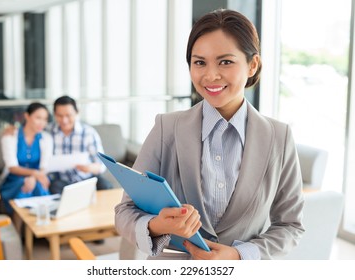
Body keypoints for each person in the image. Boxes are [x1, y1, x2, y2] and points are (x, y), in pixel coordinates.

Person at [115, 9, 304, 260]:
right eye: (199, 62)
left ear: (252, 65)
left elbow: (291, 225)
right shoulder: (166, 128)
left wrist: (239, 255)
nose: (210, 75)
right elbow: (125, 212)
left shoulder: (279, 137)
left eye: (225, 61)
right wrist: (159, 225)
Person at [46, 95, 112, 194]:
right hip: (62, 181)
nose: (64, 120)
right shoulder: (47, 131)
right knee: (54, 187)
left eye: (68, 115)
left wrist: (90, 167)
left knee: (106, 186)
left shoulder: (88, 133)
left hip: (87, 179)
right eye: (60, 116)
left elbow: (101, 165)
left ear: (77, 113)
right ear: (54, 114)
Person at [0, 102, 52, 215]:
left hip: (38, 178)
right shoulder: (10, 136)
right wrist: (35, 174)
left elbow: (44, 166)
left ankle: (43, 228)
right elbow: (12, 167)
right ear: (27, 116)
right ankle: (21, 229)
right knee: (24, 188)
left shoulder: (46, 138)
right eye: (38, 118)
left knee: (38, 186)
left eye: (45, 119)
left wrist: (34, 177)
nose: (42, 123)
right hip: (14, 179)